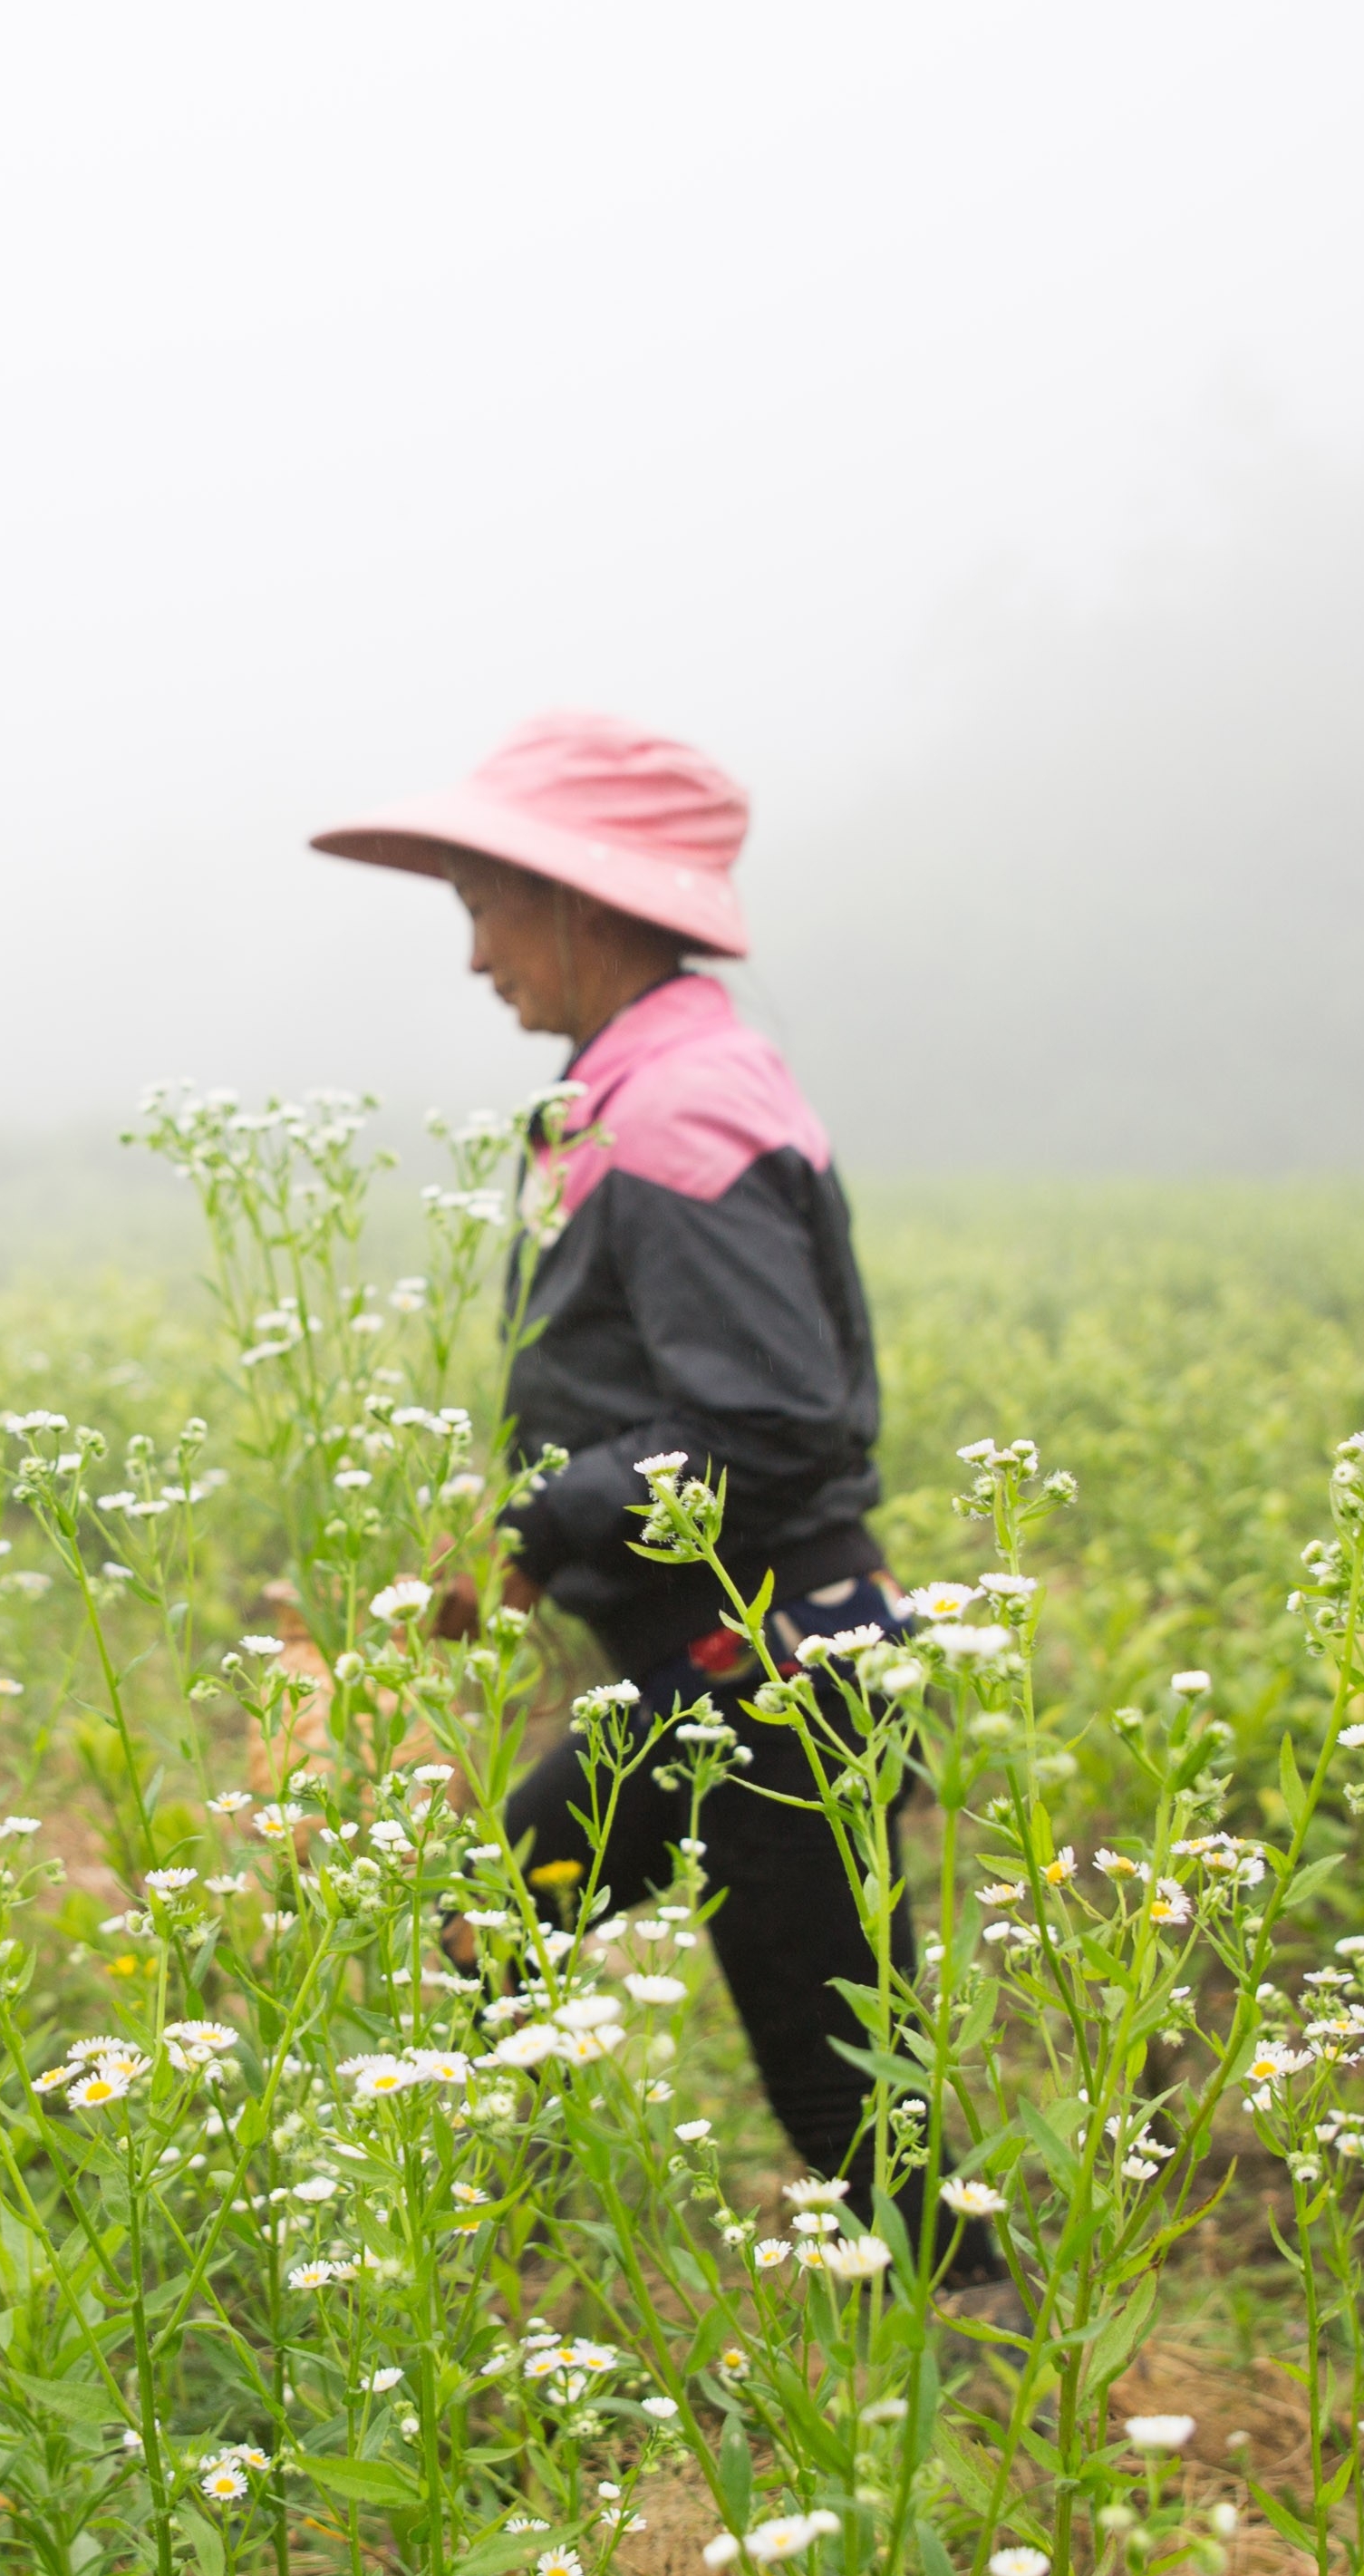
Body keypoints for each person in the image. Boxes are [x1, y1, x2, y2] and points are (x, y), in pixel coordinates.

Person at [309, 713, 972, 2291]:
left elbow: (773, 1414)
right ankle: (482, 2273)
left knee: (843, 2094)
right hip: (730, 1668)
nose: (477, 957)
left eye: (484, 905)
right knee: (496, 1944)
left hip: (767, 1671)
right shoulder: (649, 1083)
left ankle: (1011, 2411)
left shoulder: (673, 1106)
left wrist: (535, 1530)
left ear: (583, 905)